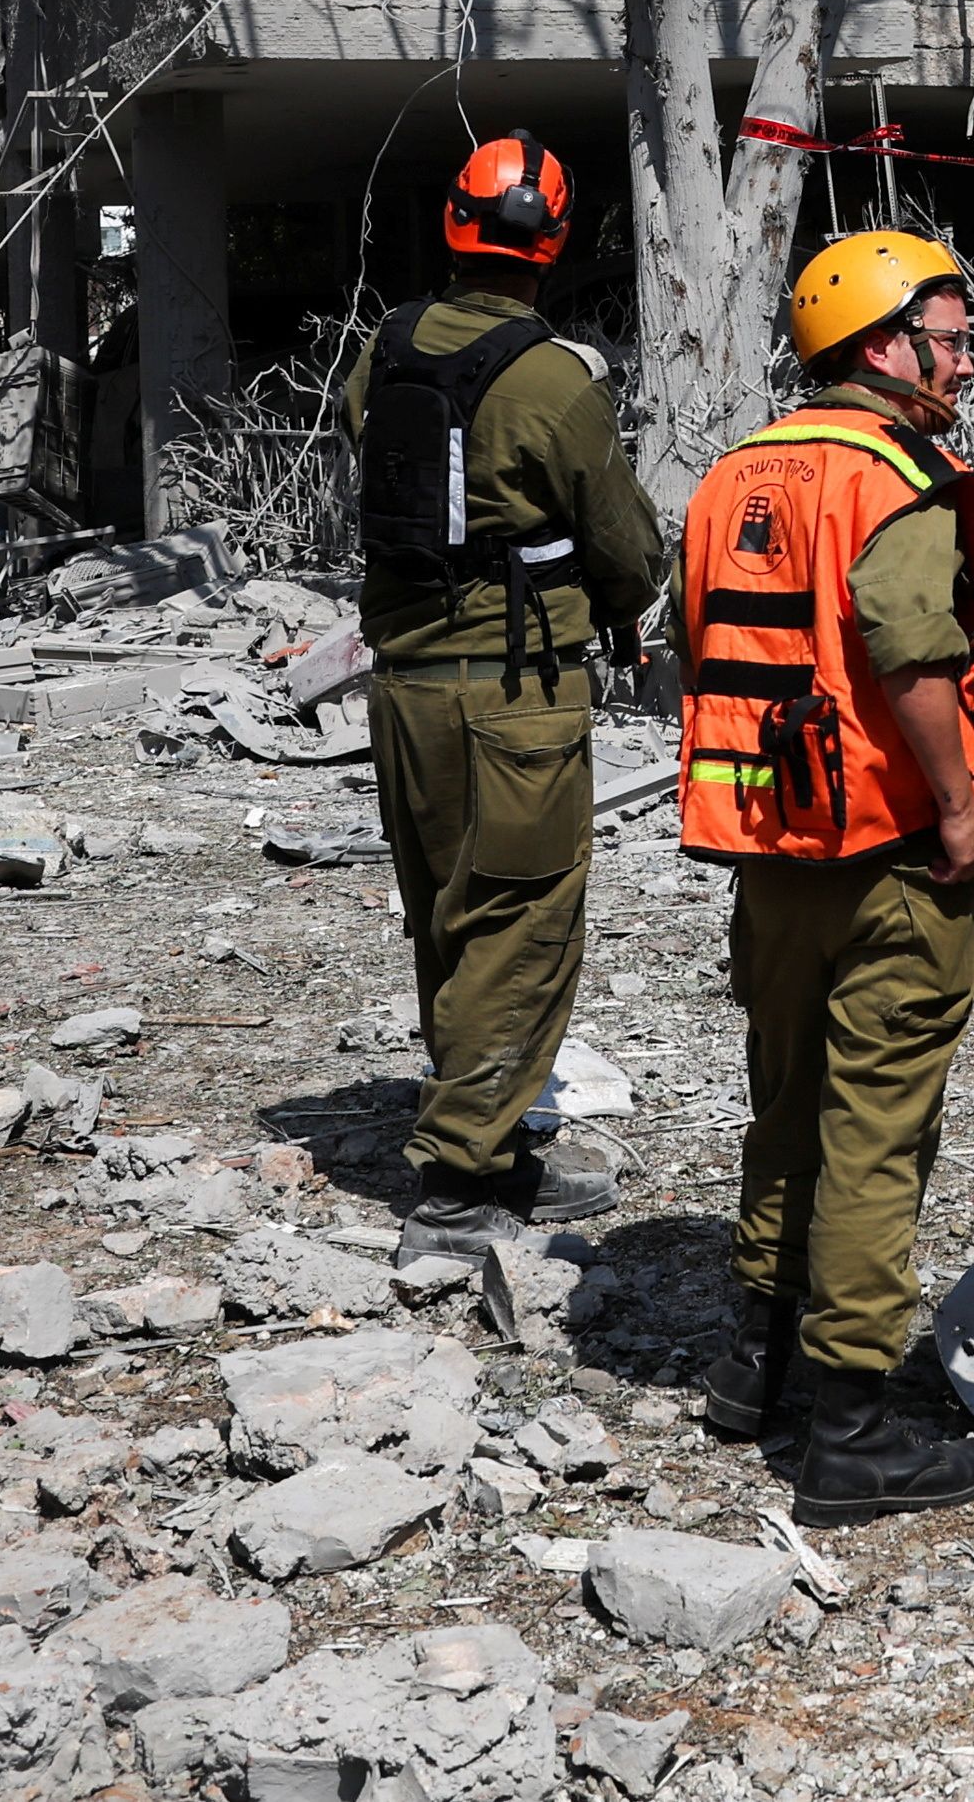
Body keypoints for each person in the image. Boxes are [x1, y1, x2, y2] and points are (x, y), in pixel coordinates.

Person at [678, 226, 974, 1523]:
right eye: (951, 334)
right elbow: (911, 653)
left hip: (767, 852)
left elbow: (696, 641)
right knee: (876, 1130)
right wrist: (959, 803)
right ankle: (853, 1424)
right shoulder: (893, 475)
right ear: (883, 344)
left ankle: (748, 1364)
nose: (966, 357)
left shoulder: (732, 472)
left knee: (785, 1101)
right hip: (889, 851)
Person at [342, 137, 667, 1293]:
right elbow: (626, 543)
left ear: (454, 224)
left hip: (403, 686)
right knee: (520, 924)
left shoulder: (384, 349)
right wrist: (627, 599)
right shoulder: (550, 380)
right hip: (514, 698)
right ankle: (456, 1184)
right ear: (551, 244)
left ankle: (496, 1138)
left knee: (446, 912)